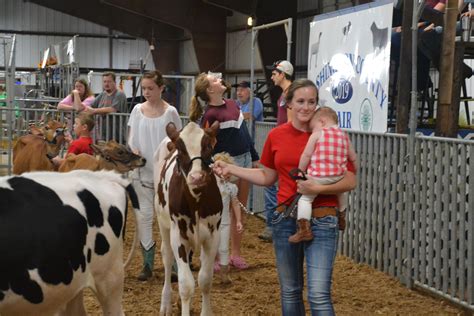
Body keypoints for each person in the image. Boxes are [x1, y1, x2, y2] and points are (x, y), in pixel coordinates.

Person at [212, 79, 357, 314]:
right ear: (288, 103)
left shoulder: (330, 134)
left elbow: (351, 180)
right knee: (290, 290)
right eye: (300, 101)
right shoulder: (277, 135)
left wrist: (316, 189)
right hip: (286, 218)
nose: (306, 107)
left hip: (323, 217)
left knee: (319, 294)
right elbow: (268, 175)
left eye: (312, 102)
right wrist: (233, 170)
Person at [189, 71, 259, 269]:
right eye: (215, 80)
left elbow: (244, 133)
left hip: (244, 159)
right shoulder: (209, 114)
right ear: (210, 90)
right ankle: (217, 254)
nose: (220, 80)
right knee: (220, 213)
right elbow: (207, 145)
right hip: (226, 163)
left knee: (239, 210)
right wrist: (216, 166)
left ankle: (235, 254)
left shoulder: (232, 104)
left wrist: (254, 156)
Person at [127, 70, 182, 281]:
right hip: (141, 172)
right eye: (144, 89)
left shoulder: (171, 112)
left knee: (171, 219)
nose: (147, 92)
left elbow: (178, 140)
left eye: (151, 88)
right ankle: (147, 264)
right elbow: (131, 137)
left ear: (161, 88)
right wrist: (133, 150)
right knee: (145, 217)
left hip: (166, 176)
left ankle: (176, 263)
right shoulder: (136, 110)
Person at [289, 106, 357, 243]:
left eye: (314, 127)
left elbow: (306, 155)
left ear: (322, 121)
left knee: (305, 199)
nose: (313, 130)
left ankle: (304, 229)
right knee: (341, 193)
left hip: (318, 177)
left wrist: (300, 173)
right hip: (338, 176)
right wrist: (355, 169)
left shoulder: (318, 134)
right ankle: (342, 216)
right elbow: (353, 158)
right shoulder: (344, 136)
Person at [258, 60, 294, 243]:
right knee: (272, 185)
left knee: (273, 185)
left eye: (274, 73)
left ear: (282, 74)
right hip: (281, 142)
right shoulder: (286, 94)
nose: (272, 76)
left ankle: (275, 225)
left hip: (283, 144)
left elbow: (289, 123)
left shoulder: (289, 94)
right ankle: (275, 224)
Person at [212, 152, 243, 283]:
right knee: (209, 247)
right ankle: (207, 272)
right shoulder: (209, 186)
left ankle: (224, 273)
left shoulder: (231, 187)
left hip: (224, 223)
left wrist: (239, 220)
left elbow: (235, 204)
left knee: (224, 248)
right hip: (209, 224)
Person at [83, 72, 128, 142]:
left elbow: (113, 109)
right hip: (103, 135)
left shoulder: (119, 94)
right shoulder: (103, 94)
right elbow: (91, 105)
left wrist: (94, 111)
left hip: (117, 136)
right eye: (104, 81)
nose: (106, 84)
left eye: (109, 81)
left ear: (114, 82)